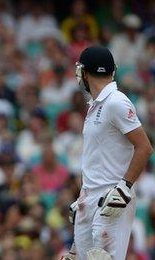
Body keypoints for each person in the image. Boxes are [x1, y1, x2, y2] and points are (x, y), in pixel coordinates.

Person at [65, 46, 153, 259]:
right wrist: (83, 197)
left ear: (83, 73)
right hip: (90, 196)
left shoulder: (116, 102)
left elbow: (145, 148)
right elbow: (97, 158)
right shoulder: (95, 105)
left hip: (112, 197)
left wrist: (123, 188)